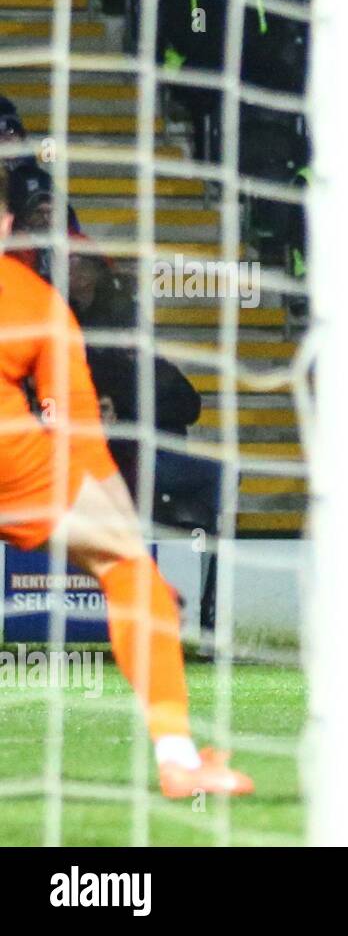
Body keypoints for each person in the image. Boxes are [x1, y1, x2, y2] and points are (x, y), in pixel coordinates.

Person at [0, 167, 252, 798]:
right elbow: (78, 434)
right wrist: (132, 554)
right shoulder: (33, 301)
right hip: (12, 453)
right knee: (129, 575)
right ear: (8, 226)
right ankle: (177, 760)